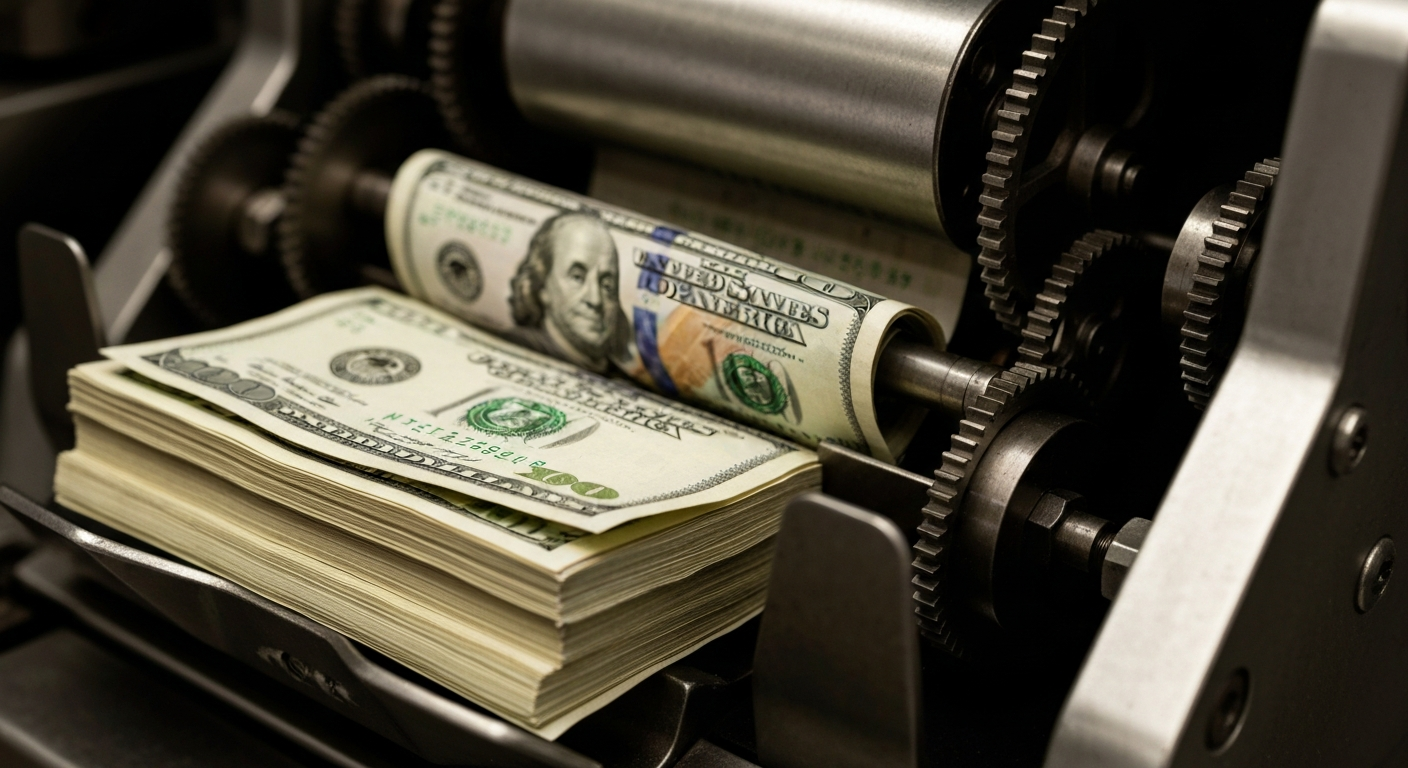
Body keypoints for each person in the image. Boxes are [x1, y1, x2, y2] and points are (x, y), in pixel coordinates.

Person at [508, 211, 632, 372]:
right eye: (577, 277)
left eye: (607, 285)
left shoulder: (624, 380)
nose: (595, 300)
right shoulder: (515, 346)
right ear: (543, 285)